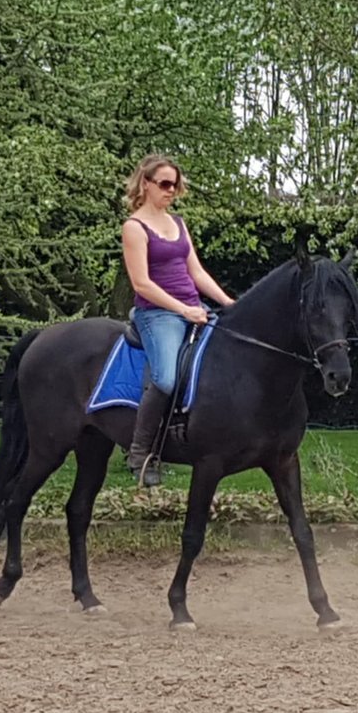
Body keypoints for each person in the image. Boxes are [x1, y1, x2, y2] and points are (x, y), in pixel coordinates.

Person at [121, 154, 236, 486]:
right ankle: (140, 453)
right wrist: (183, 311)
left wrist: (229, 303)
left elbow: (196, 272)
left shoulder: (178, 224)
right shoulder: (134, 228)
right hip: (157, 314)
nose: (171, 190)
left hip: (194, 307)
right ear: (146, 184)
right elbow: (141, 284)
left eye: (176, 184)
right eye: (165, 184)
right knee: (166, 379)